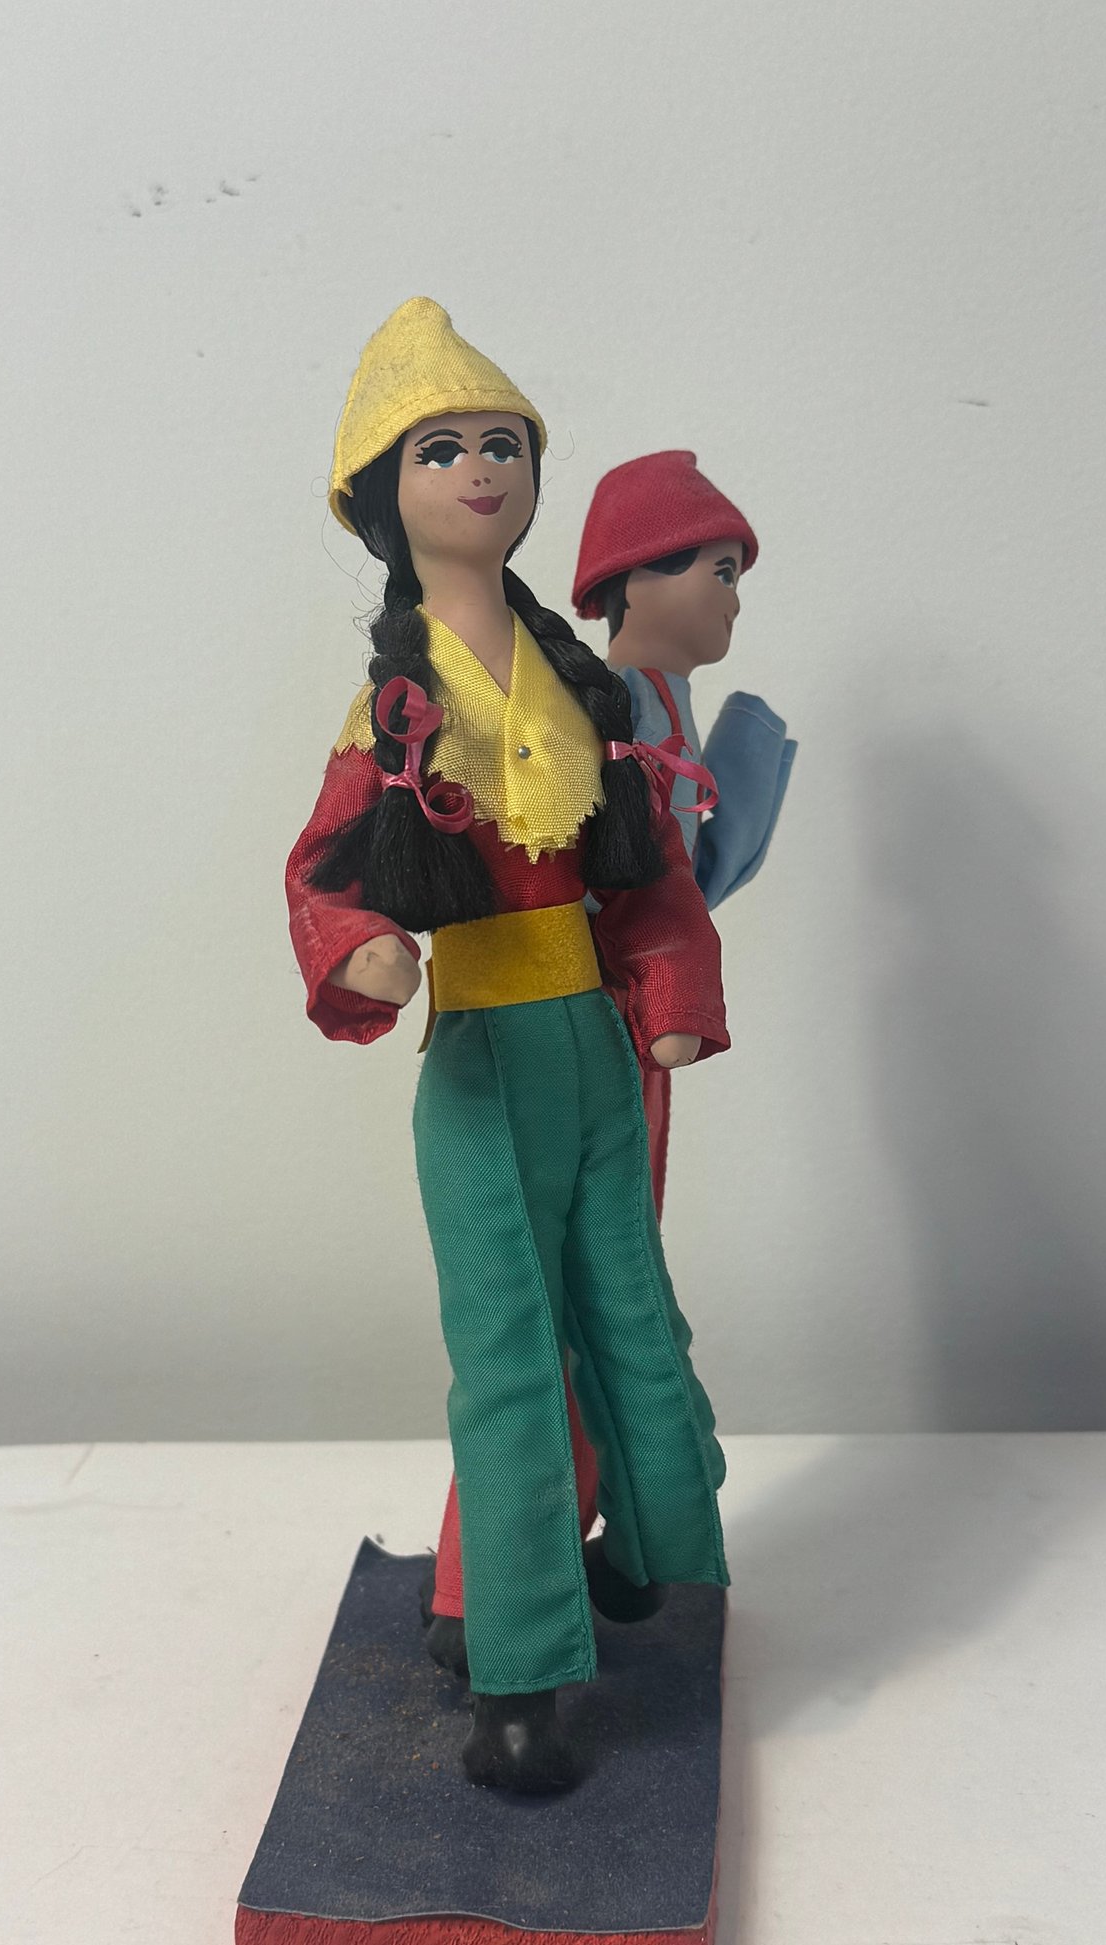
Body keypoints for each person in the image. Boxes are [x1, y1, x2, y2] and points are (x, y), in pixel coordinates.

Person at [285, 299, 730, 1793]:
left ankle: (649, 1560)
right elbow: (324, 869)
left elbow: (649, 879)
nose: (480, 470)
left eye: (500, 445)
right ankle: (519, 1669)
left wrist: (668, 995)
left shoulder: (576, 683)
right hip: (480, 1062)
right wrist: (362, 943)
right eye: (442, 449)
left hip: (597, 1051)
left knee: (632, 1319)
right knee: (509, 1361)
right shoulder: (394, 708)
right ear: (383, 492)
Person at [426, 452, 794, 1665]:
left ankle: (604, 1552)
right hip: (574, 1025)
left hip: (633, 1025)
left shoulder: (662, 708)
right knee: (552, 1317)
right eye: (717, 567)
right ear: (636, 578)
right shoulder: (607, 706)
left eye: (737, 570)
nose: (733, 595)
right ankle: (486, 1589)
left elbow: (692, 877)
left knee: (611, 1304)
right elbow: (617, 874)